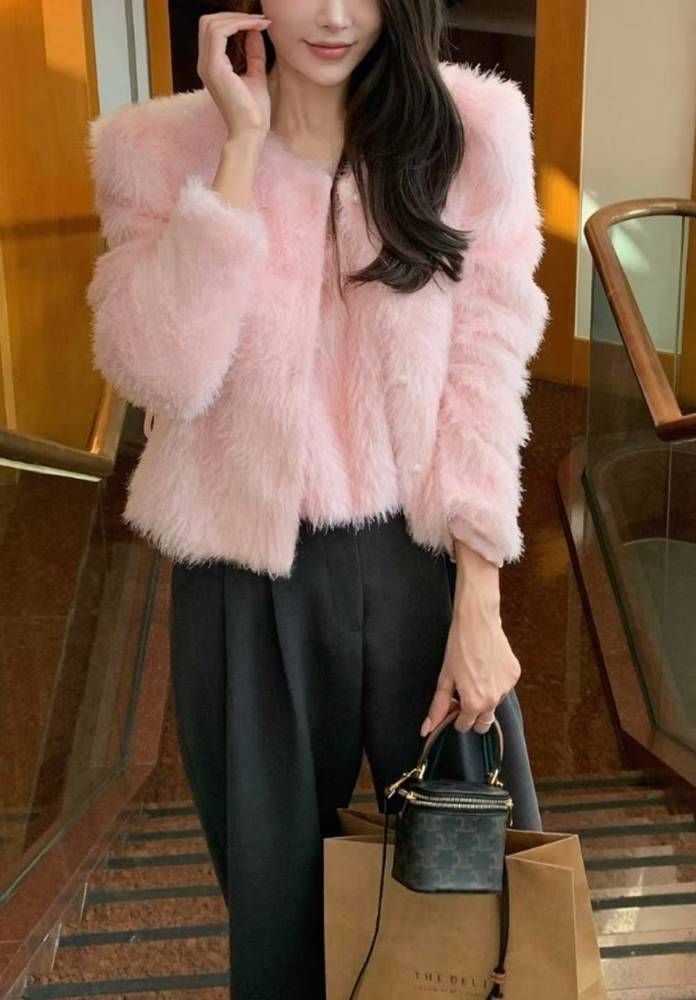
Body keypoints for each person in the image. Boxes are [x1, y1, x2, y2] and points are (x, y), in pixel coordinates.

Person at [85, 2, 549, 996]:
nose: (336, 15)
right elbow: (160, 375)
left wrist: (480, 598)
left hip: (424, 563)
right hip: (246, 577)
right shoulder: (155, 149)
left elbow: (486, 364)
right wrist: (238, 154)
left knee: (473, 896)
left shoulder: (470, 132)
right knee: (279, 921)